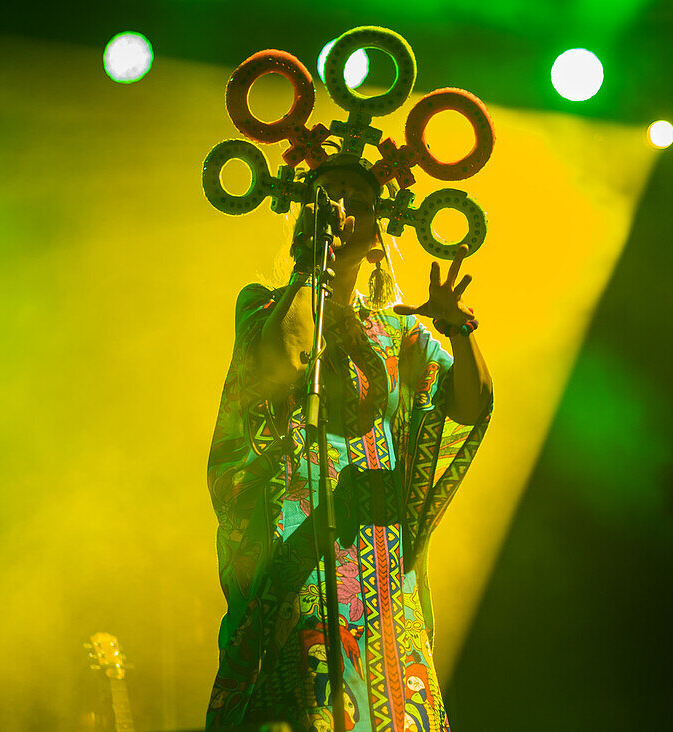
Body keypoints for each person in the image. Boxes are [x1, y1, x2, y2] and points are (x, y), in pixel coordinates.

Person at [206, 154, 493, 732]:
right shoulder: (263, 305)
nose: (338, 213)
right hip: (297, 539)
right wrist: (315, 270)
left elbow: (471, 405)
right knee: (305, 699)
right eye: (325, 201)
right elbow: (281, 362)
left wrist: (459, 333)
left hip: (380, 555)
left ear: (377, 230)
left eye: (354, 204)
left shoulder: (398, 332)